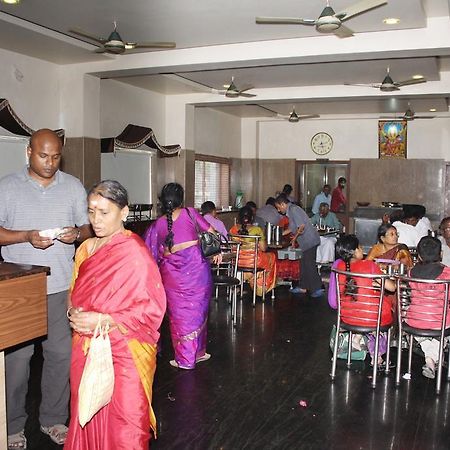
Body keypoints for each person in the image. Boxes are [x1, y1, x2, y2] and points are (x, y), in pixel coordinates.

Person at [0, 129, 92, 449]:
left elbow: (87, 228)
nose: (50, 163)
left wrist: (74, 234)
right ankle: (12, 426)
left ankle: (53, 419)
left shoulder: (73, 186)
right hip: (21, 290)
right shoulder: (7, 187)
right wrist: (25, 236)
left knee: (60, 356)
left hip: (60, 287)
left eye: (55, 157)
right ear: (28, 152)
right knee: (17, 361)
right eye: (43, 156)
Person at [64, 180, 166, 449]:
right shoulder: (85, 249)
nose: (96, 220)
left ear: (124, 212)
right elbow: (74, 292)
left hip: (125, 351)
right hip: (85, 348)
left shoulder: (135, 253)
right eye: (91, 211)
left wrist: (105, 320)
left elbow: (152, 308)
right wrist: (72, 311)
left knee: (126, 425)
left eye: (104, 212)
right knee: (86, 411)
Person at [144, 183, 220, 370]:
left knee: (180, 315)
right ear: (181, 198)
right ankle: (190, 357)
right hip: (197, 272)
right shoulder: (191, 213)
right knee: (197, 311)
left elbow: (150, 252)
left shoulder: (157, 224)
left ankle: (192, 355)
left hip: (172, 276)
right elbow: (212, 232)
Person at [329, 234, 396, 366]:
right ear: (354, 251)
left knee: (363, 312)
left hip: (347, 317)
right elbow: (392, 287)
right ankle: (377, 356)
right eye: (360, 248)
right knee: (386, 313)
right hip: (371, 319)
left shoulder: (339, 267)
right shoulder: (369, 266)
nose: (362, 251)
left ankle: (357, 337)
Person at [407, 236, 450, 379]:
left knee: (426, 335)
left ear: (418, 256)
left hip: (415, 320)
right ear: (441, 254)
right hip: (439, 323)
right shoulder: (447, 273)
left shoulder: (411, 273)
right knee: (441, 332)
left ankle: (430, 358)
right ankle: (432, 359)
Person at [274, 194, 323, 297]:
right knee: (303, 264)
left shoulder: (294, 210)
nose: (278, 210)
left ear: (283, 204)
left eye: (279, 207)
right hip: (306, 242)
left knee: (309, 264)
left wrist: (294, 239)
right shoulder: (290, 211)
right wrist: (279, 233)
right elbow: (292, 227)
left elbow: (301, 227)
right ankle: (303, 287)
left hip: (310, 240)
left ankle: (317, 288)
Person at [229, 205, 277, 297]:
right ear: (252, 217)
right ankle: (261, 288)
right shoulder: (257, 230)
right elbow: (263, 248)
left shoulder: (233, 229)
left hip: (237, 261)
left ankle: (243, 280)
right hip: (253, 262)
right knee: (272, 256)